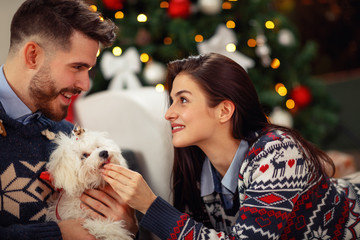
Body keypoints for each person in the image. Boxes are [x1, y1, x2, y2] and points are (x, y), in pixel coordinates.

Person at [101, 52, 360, 239]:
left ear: (224, 110)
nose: (169, 114)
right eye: (171, 101)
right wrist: (130, 227)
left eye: (182, 100)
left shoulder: (278, 154)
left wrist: (151, 205)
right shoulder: (199, 170)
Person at [0, 0, 137, 239]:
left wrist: (129, 226)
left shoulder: (69, 137)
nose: (85, 85)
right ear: (33, 56)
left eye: (89, 70)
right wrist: (57, 234)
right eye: (77, 67)